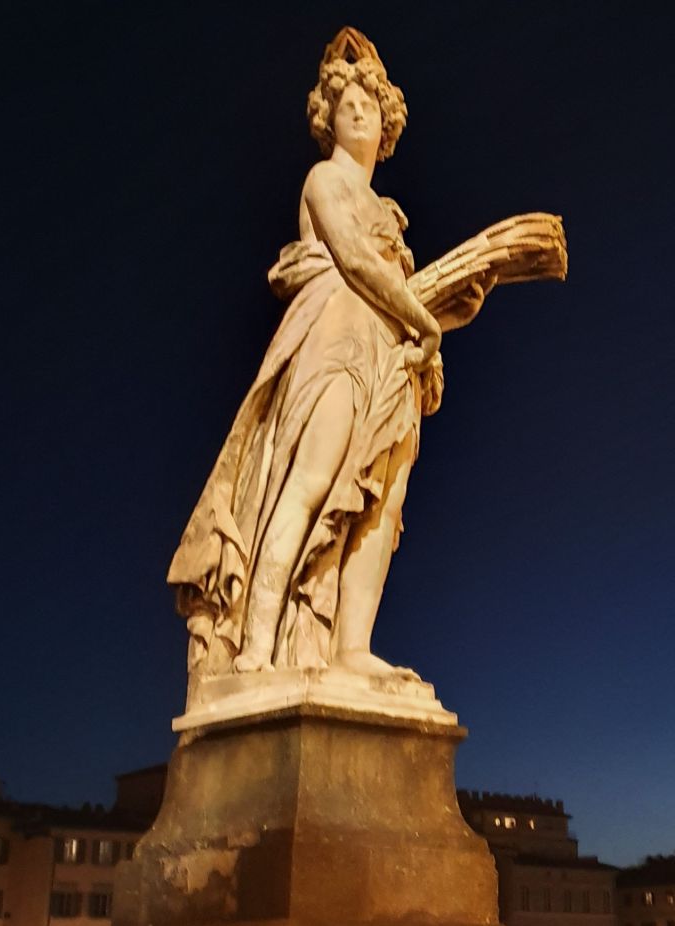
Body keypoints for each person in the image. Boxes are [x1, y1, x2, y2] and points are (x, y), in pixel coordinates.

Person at [167, 29, 488, 689]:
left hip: (393, 351)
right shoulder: (325, 180)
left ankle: (350, 648)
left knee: (380, 504)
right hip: (337, 338)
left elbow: (396, 286)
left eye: (371, 104)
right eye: (348, 105)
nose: (361, 112)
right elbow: (352, 257)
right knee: (313, 480)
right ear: (328, 120)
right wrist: (424, 316)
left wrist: (452, 309)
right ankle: (258, 645)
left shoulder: (390, 211)